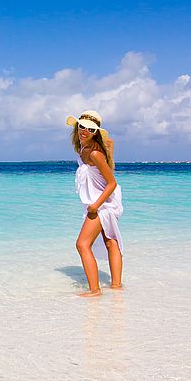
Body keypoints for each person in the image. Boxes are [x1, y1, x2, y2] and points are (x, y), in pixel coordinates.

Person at [66, 110, 124, 297]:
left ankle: (95, 290)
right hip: (99, 201)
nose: (84, 131)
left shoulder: (95, 153)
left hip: (102, 204)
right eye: (81, 126)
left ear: (95, 132)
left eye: (90, 129)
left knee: (82, 244)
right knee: (110, 242)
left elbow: (112, 183)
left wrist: (95, 206)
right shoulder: (83, 148)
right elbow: (110, 145)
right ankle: (116, 286)